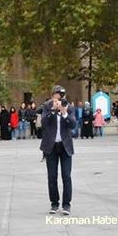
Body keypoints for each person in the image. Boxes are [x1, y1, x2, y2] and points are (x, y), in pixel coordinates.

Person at [40, 86, 76, 214]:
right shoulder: (46, 106)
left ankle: (66, 205)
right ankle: (54, 203)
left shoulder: (68, 107)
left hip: (65, 146)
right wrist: (53, 111)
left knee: (66, 175)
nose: (60, 98)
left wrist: (64, 112)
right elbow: (43, 122)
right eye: (58, 95)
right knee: (52, 176)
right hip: (51, 146)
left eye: (62, 95)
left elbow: (73, 124)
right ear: (53, 95)